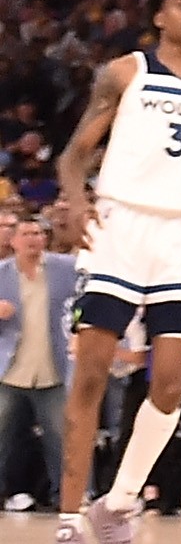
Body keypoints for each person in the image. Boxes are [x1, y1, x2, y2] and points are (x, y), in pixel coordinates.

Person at [35, 0, 181, 544]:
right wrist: (74, 200)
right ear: (158, 15)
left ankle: (117, 504)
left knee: (172, 385)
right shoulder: (126, 72)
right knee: (92, 375)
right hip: (120, 228)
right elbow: (73, 153)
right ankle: (68, 525)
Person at [0, 210, 78, 514]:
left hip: (52, 370)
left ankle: (70, 498)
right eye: (27, 235)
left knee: (63, 438)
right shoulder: (2, 273)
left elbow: (89, 292)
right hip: (10, 370)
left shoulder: (65, 268)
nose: (34, 240)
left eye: (38, 234)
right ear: (14, 241)